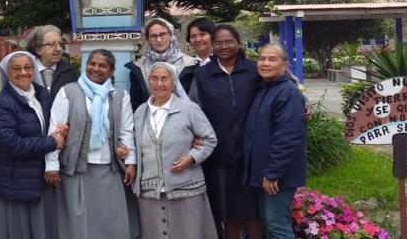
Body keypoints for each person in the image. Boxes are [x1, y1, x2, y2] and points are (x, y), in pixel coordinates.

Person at [45, 49, 137, 239]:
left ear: (111, 71)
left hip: (109, 168)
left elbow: (126, 131)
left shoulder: (120, 95)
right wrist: (51, 164)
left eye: (102, 65)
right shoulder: (68, 92)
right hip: (77, 168)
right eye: (92, 63)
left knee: (109, 218)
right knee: (79, 220)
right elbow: (55, 130)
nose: (96, 68)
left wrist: (130, 161)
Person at [190, 24, 263, 239]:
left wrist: (304, 103)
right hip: (219, 154)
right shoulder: (202, 75)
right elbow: (193, 108)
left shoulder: (253, 69)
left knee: (253, 212)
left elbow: (282, 85)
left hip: (251, 153)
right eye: (218, 42)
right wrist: (194, 134)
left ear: (238, 43)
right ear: (212, 46)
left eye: (229, 41)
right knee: (226, 211)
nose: (224, 46)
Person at [132, 62, 218, 239]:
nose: (159, 83)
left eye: (165, 78)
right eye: (154, 79)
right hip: (150, 190)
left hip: (185, 185)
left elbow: (210, 138)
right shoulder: (141, 111)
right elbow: (135, 143)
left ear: (173, 82)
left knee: (189, 233)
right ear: (149, 81)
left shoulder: (189, 109)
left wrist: (191, 158)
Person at [0, 51, 64, 239]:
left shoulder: (41, 94)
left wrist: (62, 129)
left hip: (37, 177)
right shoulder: (1, 104)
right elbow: (10, 144)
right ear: (7, 73)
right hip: (16, 181)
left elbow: (52, 123)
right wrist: (51, 142)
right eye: (16, 68)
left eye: (28, 67)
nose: (23, 72)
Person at [244, 44, 307, 238]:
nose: (265, 63)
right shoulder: (265, 88)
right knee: (269, 223)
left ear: (284, 65)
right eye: (262, 59)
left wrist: (273, 173)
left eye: (272, 59)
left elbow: (288, 137)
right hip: (265, 173)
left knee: (277, 225)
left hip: (277, 177)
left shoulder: (287, 93)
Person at [125, 17, 196, 112]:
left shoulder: (190, 64)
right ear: (148, 39)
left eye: (163, 34)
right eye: (153, 36)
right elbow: (136, 104)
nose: (159, 40)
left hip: (184, 120)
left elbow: (196, 99)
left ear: (171, 35)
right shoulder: (139, 67)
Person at [25, 25, 79, 102]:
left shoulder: (69, 71)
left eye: (60, 44)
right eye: (52, 44)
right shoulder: (26, 71)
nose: (58, 49)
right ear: (38, 50)